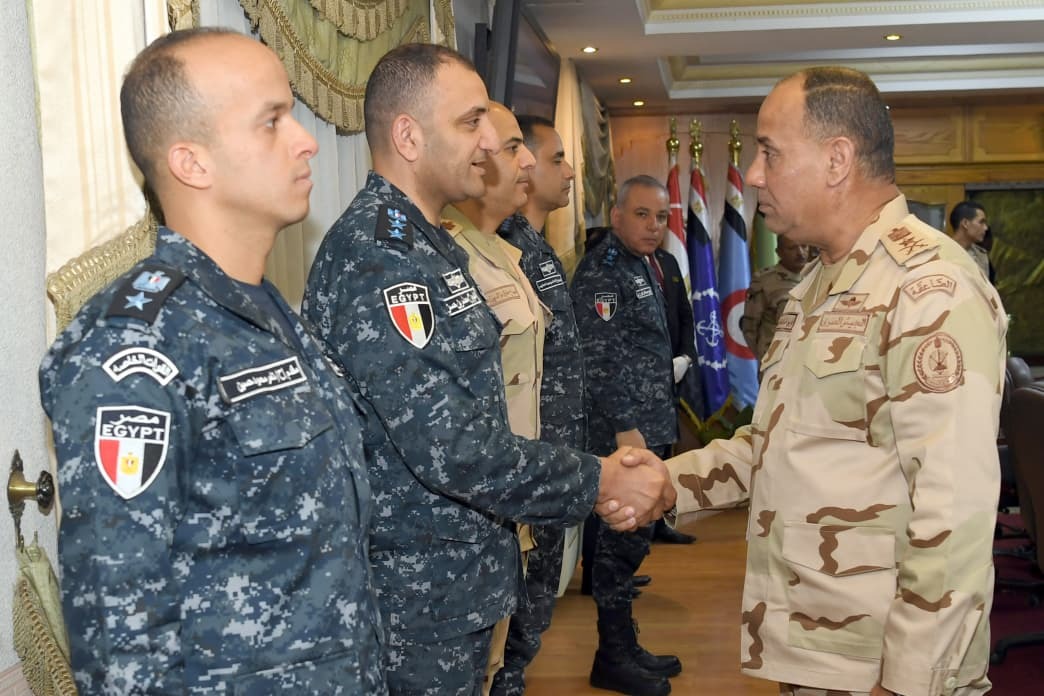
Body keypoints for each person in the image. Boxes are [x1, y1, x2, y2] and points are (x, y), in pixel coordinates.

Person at [301, 43, 675, 695]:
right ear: (408, 137)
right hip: (414, 601)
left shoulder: (432, 246)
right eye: (470, 122)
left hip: (456, 583)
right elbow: (451, 446)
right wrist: (598, 478)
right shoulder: (382, 259)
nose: (488, 142)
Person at [38, 29, 386, 693]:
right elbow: (121, 634)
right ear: (192, 163)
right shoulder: (135, 346)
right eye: (272, 121)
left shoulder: (267, 312)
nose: (306, 141)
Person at [665, 66, 1006, 696]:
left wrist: (907, 681)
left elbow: (955, 507)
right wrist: (666, 484)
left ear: (837, 160)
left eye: (770, 152)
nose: (755, 174)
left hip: (885, 668)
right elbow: (778, 441)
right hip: (820, 652)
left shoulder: (927, 289)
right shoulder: (817, 285)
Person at [439, 102, 542, 693]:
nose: (527, 162)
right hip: (478, 509)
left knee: (495, 666)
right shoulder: (452, 257)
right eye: (512, 148)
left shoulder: (504, 252)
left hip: (510, 501)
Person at [571, 175, 683, 696]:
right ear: (616, 216)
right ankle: (612, 657)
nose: (654, 226)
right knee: (618, 550)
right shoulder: (604, 271)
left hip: (647, 423)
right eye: (642, 214)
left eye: (661, 216)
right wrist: (626, 430)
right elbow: (599, 360)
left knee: (632, 544)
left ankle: (625, 645)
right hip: (625, 434)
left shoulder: (643, 263)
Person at [491, 115, 585, 696]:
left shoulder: (535, 248)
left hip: (552, 462)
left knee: (532, 620)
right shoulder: (500, 247)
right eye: (556, 158)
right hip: (527, 466)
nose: (568, 171)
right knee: (511, 630)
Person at [740, 234, 809, 361]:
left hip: (808, 360)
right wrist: (766, 359)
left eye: (804, 246)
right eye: (792, 248)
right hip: (778, 361)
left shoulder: (817, 276)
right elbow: (750, 328)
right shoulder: (765, 281)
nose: (800, 252)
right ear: (779, 252)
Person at [949, 200, 991, 279]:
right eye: (981, 222)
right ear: (965, 223)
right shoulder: (941, 253)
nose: (986, 228)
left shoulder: (981, 255)